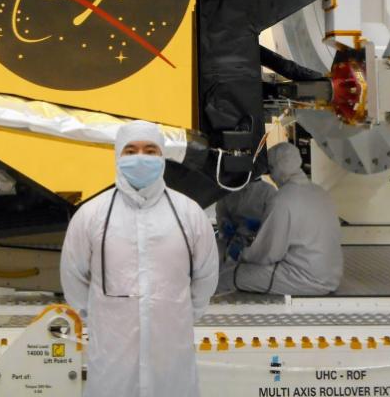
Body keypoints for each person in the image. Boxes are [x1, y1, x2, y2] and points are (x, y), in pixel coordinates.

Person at [60, 120, 219, 397]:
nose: (140, 158)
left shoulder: (189, 214)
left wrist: (176, 313)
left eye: (150, 150)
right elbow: (73, 277)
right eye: (130, 151)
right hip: (112, 358)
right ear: (117, 156)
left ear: (162, 157)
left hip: (171, 355)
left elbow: (205, 277)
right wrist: (101, 316)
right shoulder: (91, 215)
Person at [225, 142, 342, 296]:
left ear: (276, 169)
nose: (272, 177)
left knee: (231, 275)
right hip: (331, 276)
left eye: (271, 170)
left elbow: (267, 253)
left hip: (306, 279)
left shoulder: (282, 199)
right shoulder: (320, 192)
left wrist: (241, 253)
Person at [216, 177, 277, 263]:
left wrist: (261, 226)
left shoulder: (268, 191)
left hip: (259, 245)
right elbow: (221, 213)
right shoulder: (228, 191)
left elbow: (275, 222)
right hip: (234, 242)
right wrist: (224, 225)